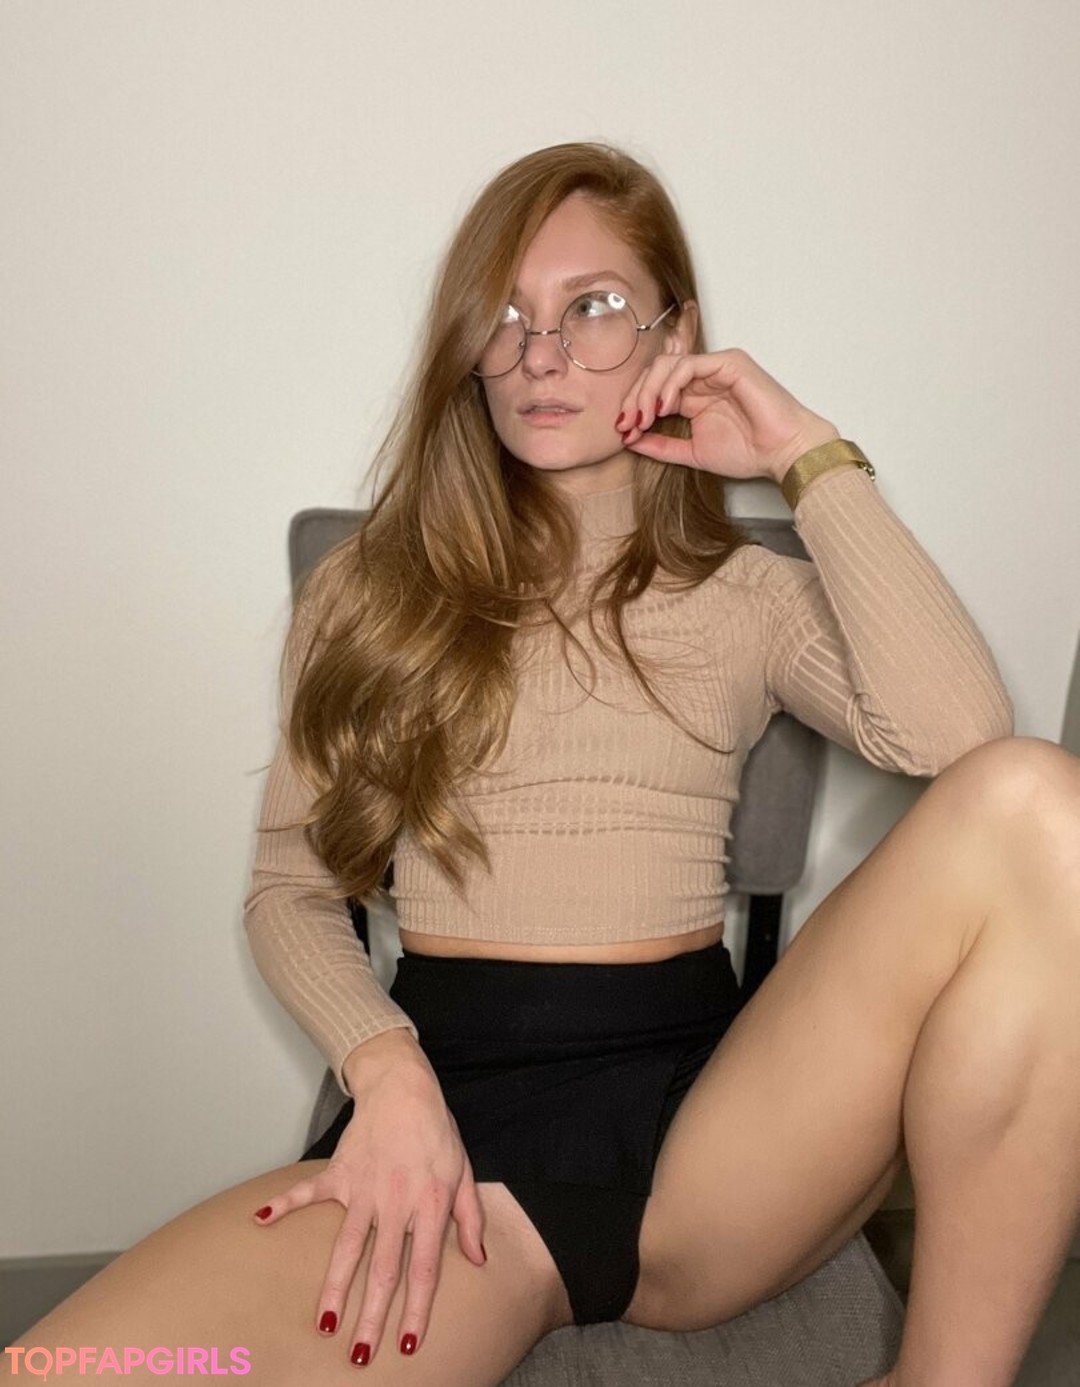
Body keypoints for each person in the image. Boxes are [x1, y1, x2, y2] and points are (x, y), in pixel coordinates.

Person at [9, 142, 1080, 1387]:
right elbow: (290, 891)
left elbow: (965, 740)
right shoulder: (366, 592)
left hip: (713, 1128)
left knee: (1042, 804)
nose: (542, 354)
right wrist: (387, 1074)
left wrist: (807, 454)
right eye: (507, 316)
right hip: (462, 1113)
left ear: (676, 334)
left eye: (595, 307)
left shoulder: (747, 593)